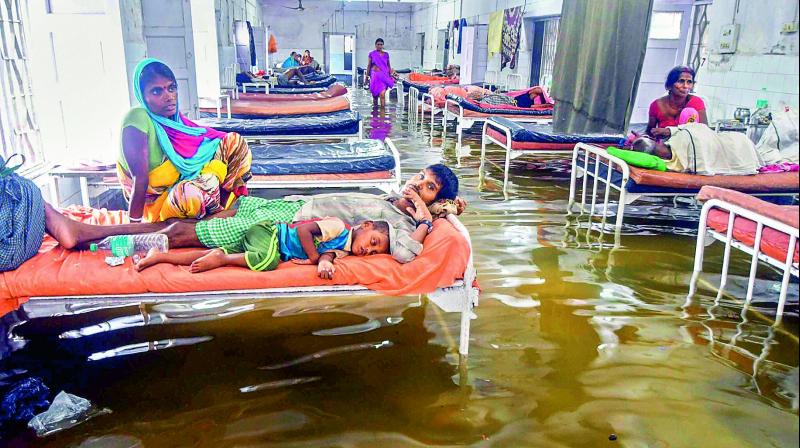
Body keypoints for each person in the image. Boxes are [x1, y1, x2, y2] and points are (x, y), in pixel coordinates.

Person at [43, 164, 464, 264]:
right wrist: (412, 198)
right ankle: (88, 232)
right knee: (192, 225)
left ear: (434, 199)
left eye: (427, 186)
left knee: (190, 234)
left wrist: (427, 217)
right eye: (420, 177)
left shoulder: (405, 224)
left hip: (288, 223)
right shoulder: (394, 200)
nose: (415, 184)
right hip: (292, 209)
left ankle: (84, 236)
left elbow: (408, 255)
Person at [118, 58, 252, 223]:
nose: (168, 97)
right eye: (156, 91)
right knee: (188, 194)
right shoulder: (137, 118)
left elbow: (206, 147)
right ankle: (211, 213)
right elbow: (140, 179)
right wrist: (134, 228)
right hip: (161, 204)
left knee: (235, 143)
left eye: (171, 88)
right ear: (142, 96)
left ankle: (219, 210)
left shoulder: (176, 121)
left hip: (189, 184)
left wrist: (212, 175)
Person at [134, 216, 390, 279]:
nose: (369, 250)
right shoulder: (338, 226)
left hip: (264, 242)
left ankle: (160, 257)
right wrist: (314, 259)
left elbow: (328, 253)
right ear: (365, 226)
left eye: (375, 252)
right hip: (270, 234)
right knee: (269, 262)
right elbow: (303, 230)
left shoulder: (344, 248)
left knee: (203, 255)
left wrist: (324, 262)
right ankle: (222, 259)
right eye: (374, 242)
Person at [631, 123, 763, 175]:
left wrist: (670, 130)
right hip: (735, 147)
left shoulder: (677, 143)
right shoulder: (672, 163)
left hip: (734, 142)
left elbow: (698, 128)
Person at [646, 66, 708, 138]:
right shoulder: (656, 105)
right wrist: (642, 138)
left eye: (689, 82)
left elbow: (705, 131)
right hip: (663, 146)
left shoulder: (696, 102)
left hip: (689, 146)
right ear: (669, 85)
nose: (685, 86)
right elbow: (650, 132)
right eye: (681, 81)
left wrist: (670, 131)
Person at [365, 38, 396, 107]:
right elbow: (369, 66)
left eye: (381, 44)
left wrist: (391, 75)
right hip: (375, 77)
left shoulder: (386, 54)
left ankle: (383, 115)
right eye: (378, 44)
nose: (379, 46)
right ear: (375, 45)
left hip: (384, 77)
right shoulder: (372, 54)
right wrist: (366, 78)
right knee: (375, 97)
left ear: (383, 45)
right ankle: (375, 114)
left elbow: (388, 66)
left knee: (382, 95)